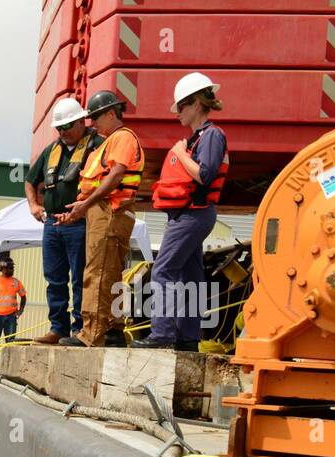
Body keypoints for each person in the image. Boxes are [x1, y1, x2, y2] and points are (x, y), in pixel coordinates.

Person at [132, 72, 229, 350]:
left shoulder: (211, 135)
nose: (178, 113)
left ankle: (162, 334)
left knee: (163, 270)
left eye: (182, 106)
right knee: (190, 276)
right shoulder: (200, 137)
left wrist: (182, 154)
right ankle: (188, 339)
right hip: (193, 214)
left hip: (193, 214)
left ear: (197, 103)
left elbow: (206, 175)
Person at [55, 90, 144, 347]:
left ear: (110, 113)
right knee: (111, 273)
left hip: (110, 211)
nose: (92, 123)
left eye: (95, 117)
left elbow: (115, 176)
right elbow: (95, 185)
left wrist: (86, 205)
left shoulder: (122, 138)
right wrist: (75, 212)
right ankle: (113, 331)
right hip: (104, 211)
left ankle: (91, 333)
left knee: (98, 272)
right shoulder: (108, 142)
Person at [25, 97, 103, 344]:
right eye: (59, 128)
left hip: (79, 223)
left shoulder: (97, 145)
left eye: (67, 126)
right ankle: (58, 328)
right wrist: (33, 205)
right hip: (52, 225)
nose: (62, 132)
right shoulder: (51, 150)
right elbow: (30, 180)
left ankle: (81, 328)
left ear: (82, 121)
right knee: (54, 278)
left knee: (81, 278)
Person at [0, 257, 26, 341]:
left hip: (11, 316)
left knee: (10, 341)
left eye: (12, 268)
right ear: (2, 269)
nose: (12, 270)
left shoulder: (16, 282)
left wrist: (20, 310)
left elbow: (23, 297)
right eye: (10, 268)